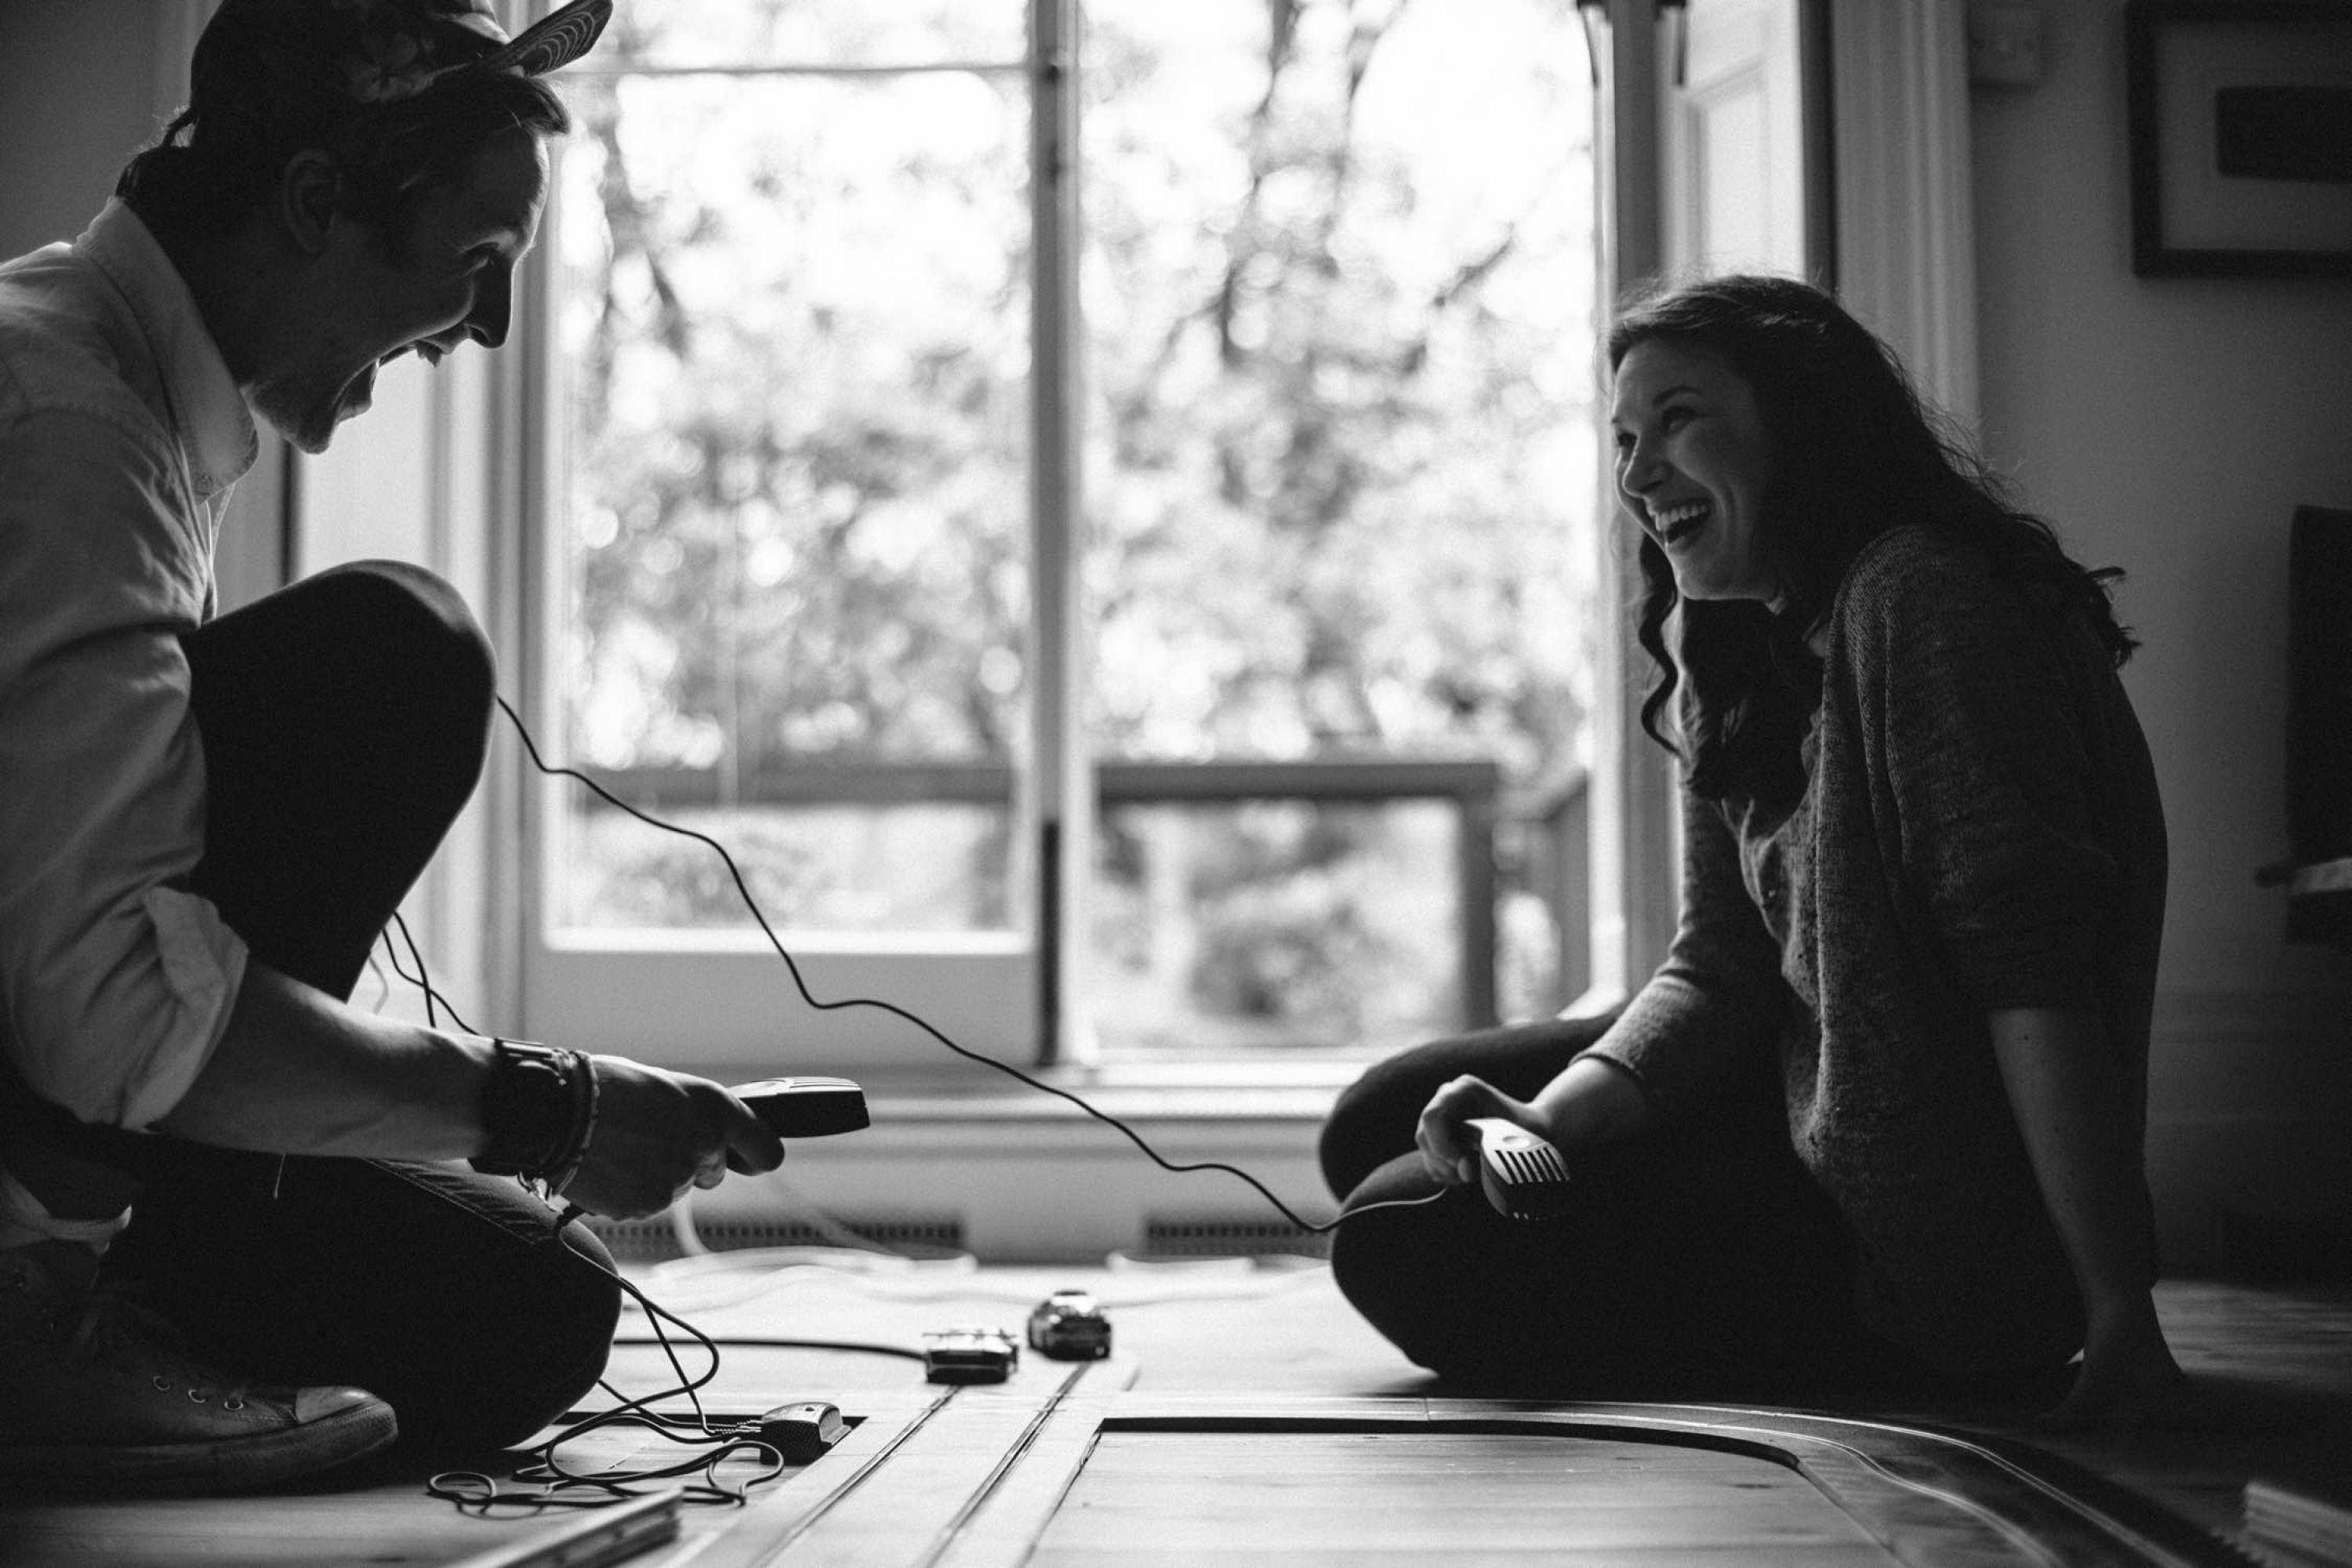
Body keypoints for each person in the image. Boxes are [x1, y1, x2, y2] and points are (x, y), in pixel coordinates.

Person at [0, 0, 786, 1494]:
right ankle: (35, 1318)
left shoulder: (137, 406)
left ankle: (105, 1281)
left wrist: (501, 1106)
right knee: (397, 654)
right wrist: (543, 1104)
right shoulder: (61, 421)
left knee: (527, 1307)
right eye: (477, 264)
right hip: (42, 1109)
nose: (483, 331)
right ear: (313, 202)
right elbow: (100, 1011)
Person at [1319, 274, 2185, 1429]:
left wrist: (2112, 1307)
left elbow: (2031, 967)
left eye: (1678, 420)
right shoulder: (1742, 631)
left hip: (1907, 1218)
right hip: (1800, 1076)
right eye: (1625, 439)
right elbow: (1720, 967)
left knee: (1398, 1242)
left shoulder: (1923, 599)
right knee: (1383, 1121)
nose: (1637, 477)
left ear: (1803, 419)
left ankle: (1908, 1340)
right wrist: (1548, 1126)